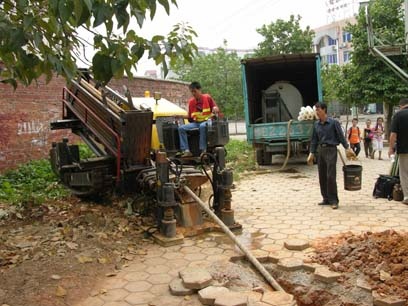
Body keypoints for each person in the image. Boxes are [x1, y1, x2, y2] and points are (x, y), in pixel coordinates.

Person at [307, 102, 355, 209]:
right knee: (322, 176)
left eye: (318, 110)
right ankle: (326, 198)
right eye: (316, 110)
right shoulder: (316, 124)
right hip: (321, 151)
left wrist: (347, 148)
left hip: (331, 150)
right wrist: (312, 152)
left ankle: (334, 200)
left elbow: (341, 136)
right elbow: (314, 140)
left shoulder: (334, 123)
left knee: (330, 176)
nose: (317, 112)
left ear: (324, 110)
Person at [178, 81, 219, 157]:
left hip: (207, 121)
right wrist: (179, 116)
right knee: (181, 128)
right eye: (192, 92)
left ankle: (203, 150)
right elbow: (190, 116)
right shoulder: (191, 102)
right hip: (196, 123)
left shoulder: (207, 97)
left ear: (199, 90)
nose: (193, 93)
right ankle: (186, 150)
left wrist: (215, 108)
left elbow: (215, 108)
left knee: (202, 126)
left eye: (195, 91)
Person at [388, 98, 408, 204]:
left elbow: (393, 134)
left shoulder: (398, 115)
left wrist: (391, 148)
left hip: (404, 149)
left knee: (404, 172)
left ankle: (407, 197)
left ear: (401, 106)